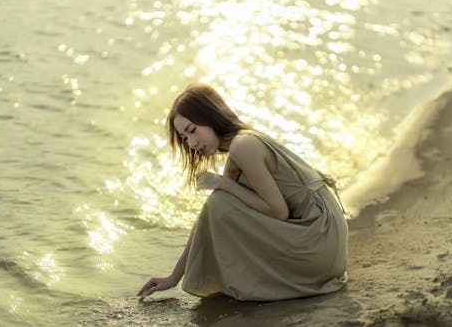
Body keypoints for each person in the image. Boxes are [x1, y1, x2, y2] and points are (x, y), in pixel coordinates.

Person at [137, 82, 348, 301]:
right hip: (325, 241)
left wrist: (222, 183)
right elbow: (208, 216)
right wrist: (174, 276)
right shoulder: (241, 145)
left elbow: (278, 212)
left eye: (192, 131)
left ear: (211, 116)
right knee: (219, 203)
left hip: (321, 246)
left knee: (221, 201)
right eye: (184, 138)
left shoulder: (244, 145)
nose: (191, 143)